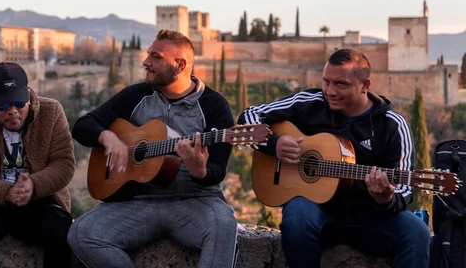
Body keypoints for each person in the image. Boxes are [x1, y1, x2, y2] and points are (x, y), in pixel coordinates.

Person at [238, 48, 431, 268]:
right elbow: (249, 116)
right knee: (297, 215)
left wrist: (385, 199)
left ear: (365, 85)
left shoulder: (392, 125)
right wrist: (274, 144)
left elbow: (404, 190)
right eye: (326, 82)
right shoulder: (310, 102)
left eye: (341, 84)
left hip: (371, 218)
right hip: (317, 213)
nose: (330, 91)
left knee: (417, 232)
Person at [67, 29, 238, 268]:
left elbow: (217, 169)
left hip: (195, 201)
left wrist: (200, 171)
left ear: (180, 65)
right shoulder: (136, 95)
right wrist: (107, 137)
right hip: (138, 201)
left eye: (155, 57)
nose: (146, 62)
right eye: (148, 55)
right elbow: (83, 126)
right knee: (82, 233)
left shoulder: (213, 105)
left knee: (225, 227)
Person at [0, 62, 76, 268]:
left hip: (40, 198)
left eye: (18, 102)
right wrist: (6, 192)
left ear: (28, 96)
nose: (13, 111)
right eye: (3, 105)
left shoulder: (51, 111)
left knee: (61, 235)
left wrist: (34, 185)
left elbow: (64, 164)